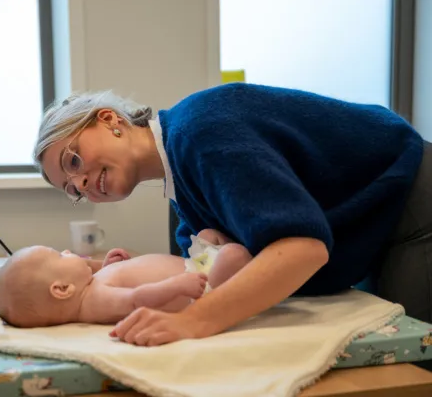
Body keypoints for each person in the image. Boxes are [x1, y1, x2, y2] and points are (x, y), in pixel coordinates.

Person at [32, 83, 431, 348]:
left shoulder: (201, 132)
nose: (81, 182)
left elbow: (303, 248)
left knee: (411, 362)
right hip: (370, 220)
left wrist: (196, 322)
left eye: (74, 159)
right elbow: (201, 272)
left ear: (109, 119)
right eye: (72, 189)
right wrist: (110, 274)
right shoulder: (183, 188)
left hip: (410, 190)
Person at [0, 229, 252, 334]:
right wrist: (177, 286)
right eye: (60, 255)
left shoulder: (89, 287)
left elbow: (121, 282)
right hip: (199, 292)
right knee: (234, 254)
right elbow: (137, 298)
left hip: (192, 268)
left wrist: (109, 268)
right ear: (62, 289)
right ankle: (257, 281)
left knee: (208, 235)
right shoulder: (96, 300)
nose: (68, 252)